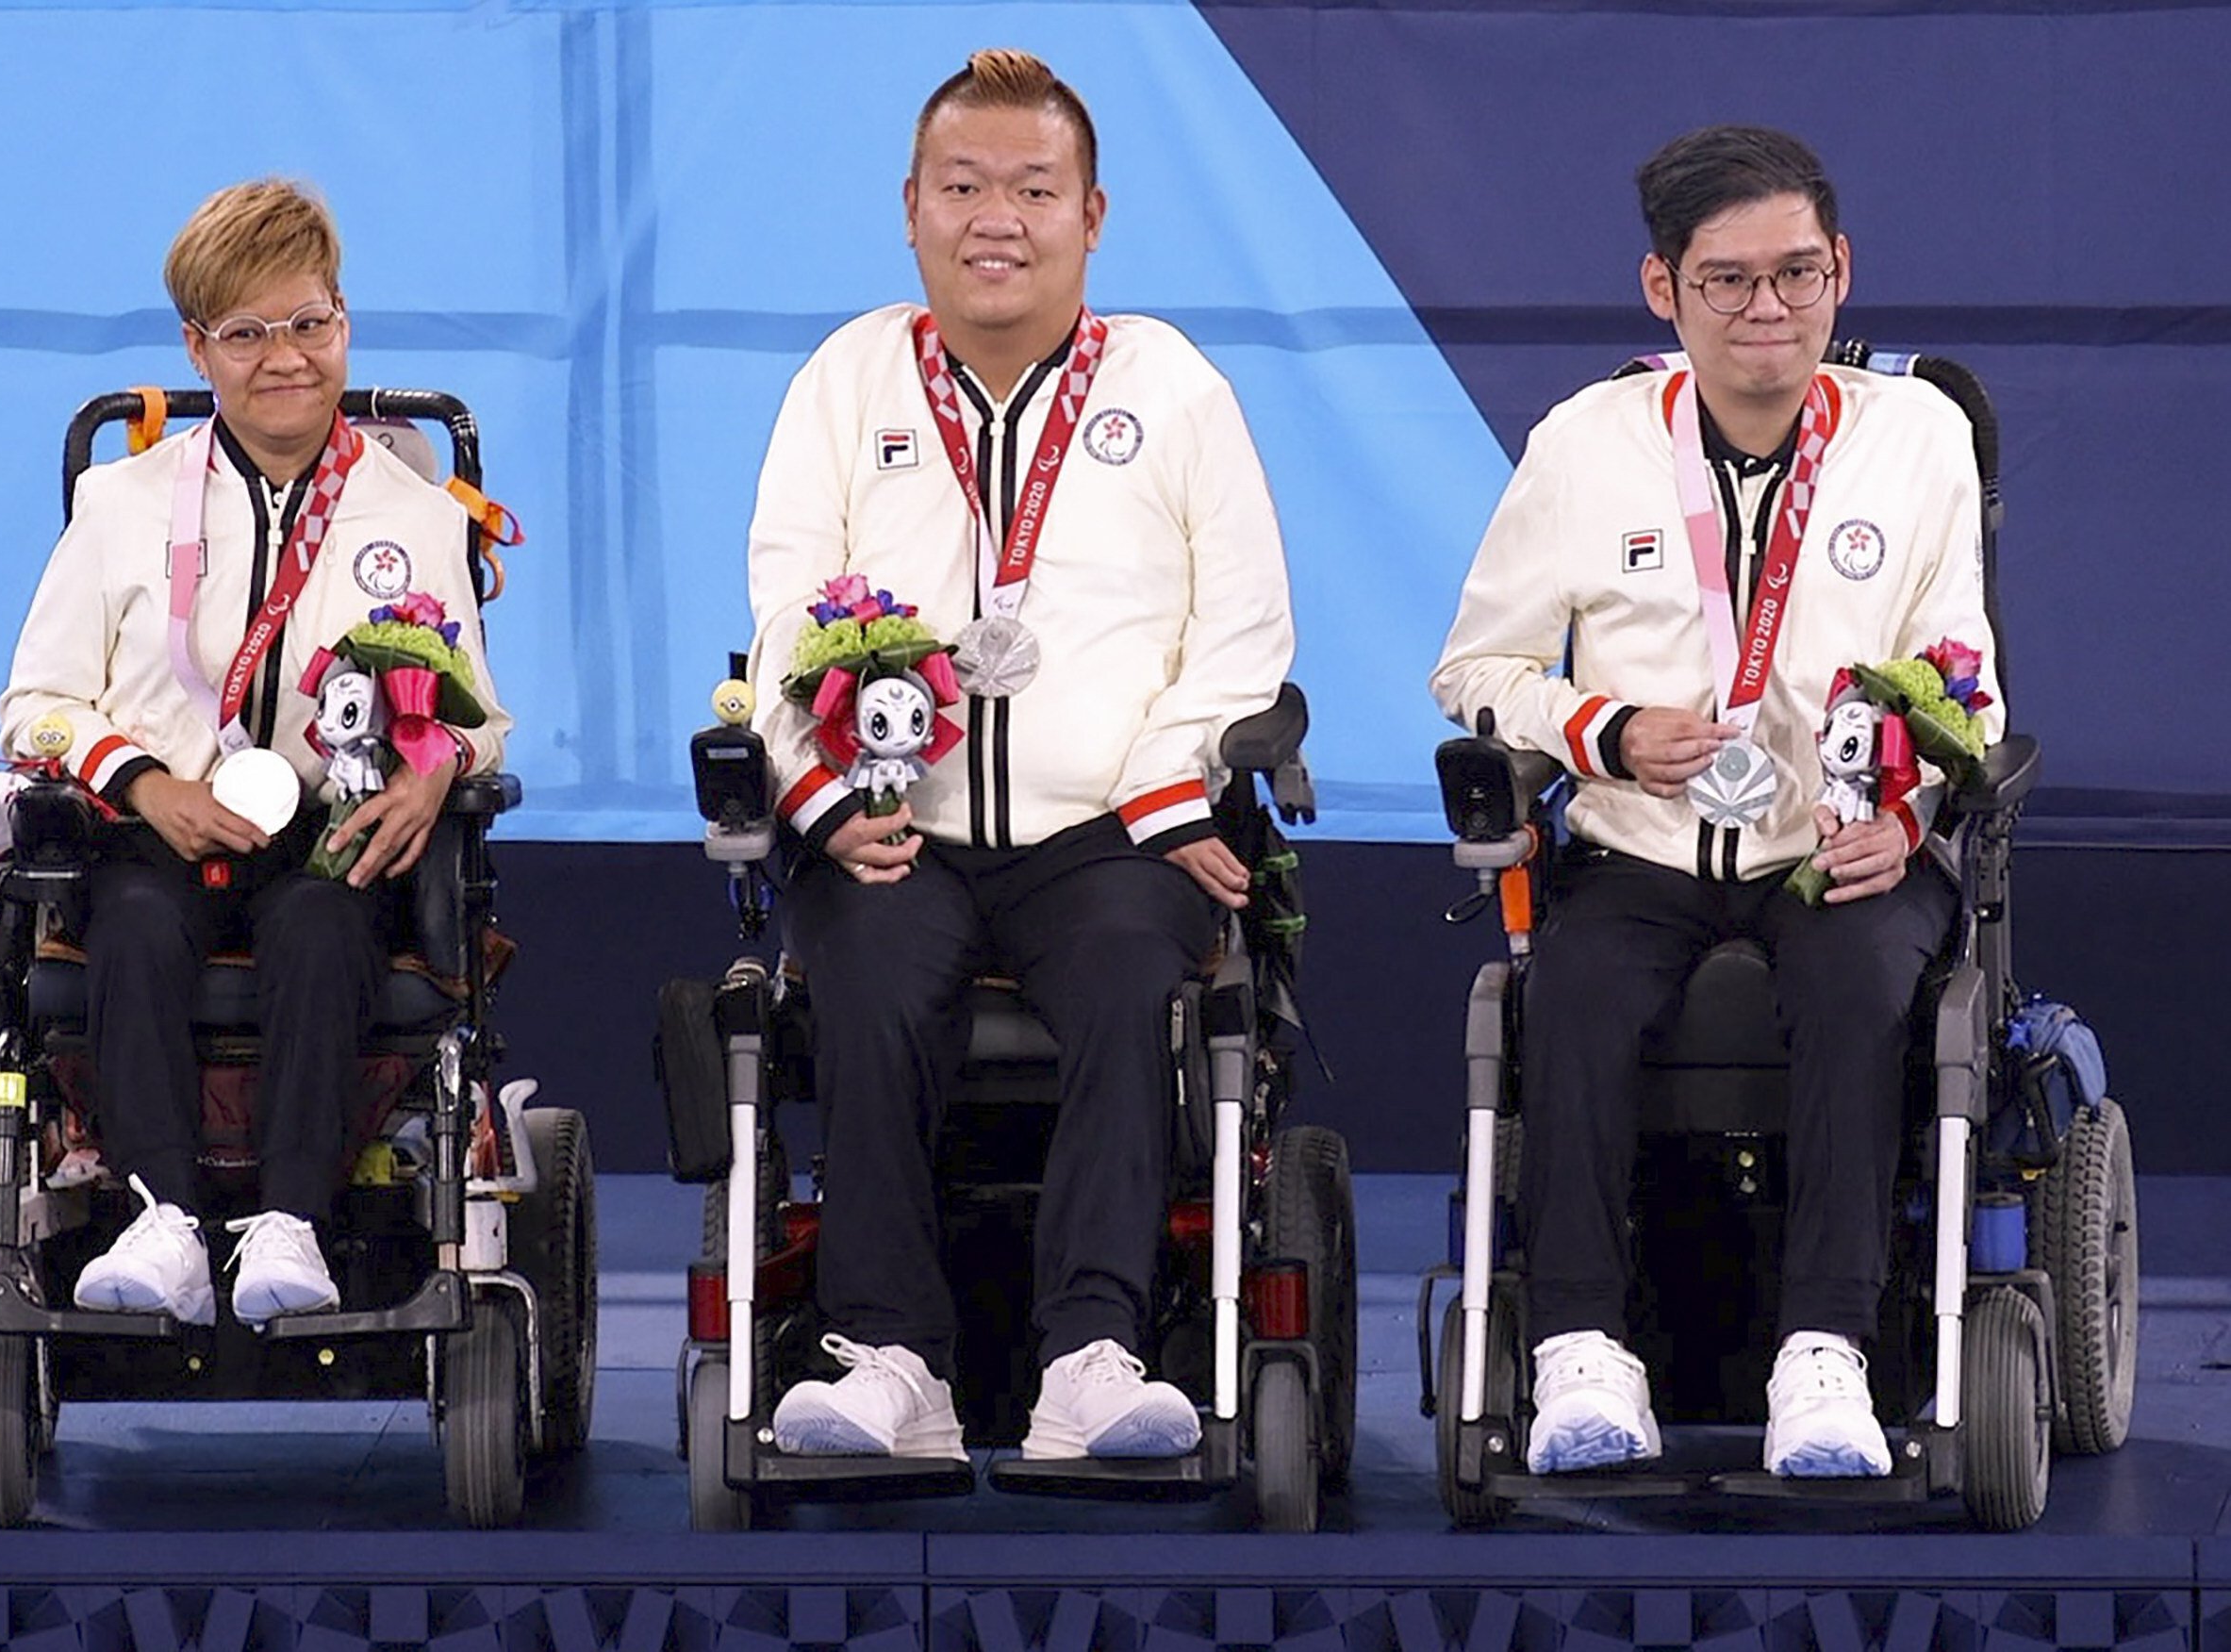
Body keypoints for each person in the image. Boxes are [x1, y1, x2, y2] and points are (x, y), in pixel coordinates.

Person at [745, 49, 1294, 1462]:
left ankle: (1092, 1357)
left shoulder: (1171, 387)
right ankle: (892, 1361)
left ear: (1092, 216)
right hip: (896, 823)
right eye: (965, 186)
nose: (999, 217)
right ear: (911, 208)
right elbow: (785, 620)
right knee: (860, 981)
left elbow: (1245, 637)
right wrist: (822, 797)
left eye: (1034, 189)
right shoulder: (845, 380)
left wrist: (1171, 799)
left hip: (1111, 830)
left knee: (1128, 979)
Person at [1430, 126, 2001, 1478]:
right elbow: (1476, 667)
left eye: (1799, 275)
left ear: (1842, 270)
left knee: (1864, 986)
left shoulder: (1919, 440)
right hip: (1641, 845)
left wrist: (1909, 815)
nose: (1768, 310)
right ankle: (1579, 1347)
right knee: (1565, 996)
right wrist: (1607, 729)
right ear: (1662, 291)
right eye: (1729, 280)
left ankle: (1829, 1354)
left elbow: (1965, 680)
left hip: (1843, 844)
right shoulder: (1587, 442)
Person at [0, 179, 510, 1329]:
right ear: (198, 346)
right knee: (129, 923)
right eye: (246, 334)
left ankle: (291, 1224)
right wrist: (143, 782)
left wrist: (435, 770)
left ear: (344, 319)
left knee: (324, 925)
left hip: (330, 843)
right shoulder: (120, 502)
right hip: (153, 833)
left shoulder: (417, 513)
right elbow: (33, 702)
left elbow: (478, 716)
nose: (285, 359)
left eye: (310, 324)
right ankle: (161, 1217)